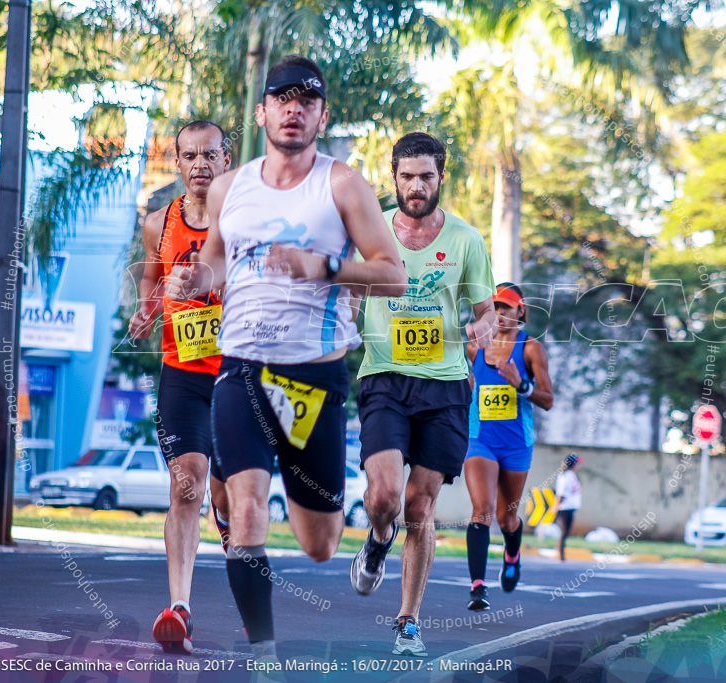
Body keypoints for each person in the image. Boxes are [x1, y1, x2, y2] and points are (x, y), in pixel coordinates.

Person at [166, 55, 405, 661]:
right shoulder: (230, 186)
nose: (292, 108)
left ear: (321, 116)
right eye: (282, 98)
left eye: (306, 100)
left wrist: (323, 265)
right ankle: (264, 657)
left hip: (312, 377)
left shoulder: (342, 184)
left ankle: (378, 532)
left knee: (319, 542)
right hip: (241, 369)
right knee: (244, 510)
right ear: (262, 111)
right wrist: (198, 278)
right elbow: (220, 257)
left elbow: (393, 275)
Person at [351, 131, 497, 657]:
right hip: (384, 377)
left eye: (426, 176)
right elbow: (349, 291)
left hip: (446, 387)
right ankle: (376, 538)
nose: (416, 185)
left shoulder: (465, 240)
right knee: (386, 496)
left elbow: (486, 310)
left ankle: (408, 621)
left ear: (440, 178)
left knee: (420, 505)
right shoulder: (370, 233)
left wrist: (483, 330)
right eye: (407, 176)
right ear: (394, 177)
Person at [128, 120, 232, 654]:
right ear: (176, 163)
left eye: (209, 155)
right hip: (184, 371)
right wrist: (146, 309)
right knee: (184, 482)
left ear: (226, 160)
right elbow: (150, 277)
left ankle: (227, 509)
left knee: (228, 494)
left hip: (238, 373)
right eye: (189, 156)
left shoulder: (242, 221)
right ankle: (180, 608)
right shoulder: (159, 224)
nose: (199, 165)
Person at [463, 283, 554, 611]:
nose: (500, 314)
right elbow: (471, 386)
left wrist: (523, 386)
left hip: (516, 444)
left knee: (507, 517)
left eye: (507, 308)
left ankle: (512, 553)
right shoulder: (475, 348)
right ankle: (477, 586)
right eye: (495, 307)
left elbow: (548, 400)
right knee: (482, 510)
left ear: (521, 311)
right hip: (480, 440)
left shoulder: (531, 349)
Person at [555, 453, 583, 562]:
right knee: (564, 532)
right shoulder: (566, 476)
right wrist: (555, 507)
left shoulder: (571, 475)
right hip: (564, 508)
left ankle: (561, 554)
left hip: (569, 508)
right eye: (577, 463)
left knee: (566, 532)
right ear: (573, 464)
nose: (578, 466)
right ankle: (561, 556)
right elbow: (560, 494)